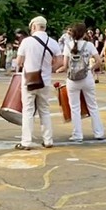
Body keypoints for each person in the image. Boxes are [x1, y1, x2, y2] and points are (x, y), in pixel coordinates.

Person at [14, 16, 62, 150]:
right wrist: (49, 69)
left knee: (28, 111)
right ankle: (48, 140)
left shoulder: (26, 42)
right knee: (44, 110)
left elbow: (19, 62)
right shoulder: (52, 42)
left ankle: (26, 142)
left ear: (34, 27)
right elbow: (59, 61)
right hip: (45, 80)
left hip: (29, 81)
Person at [60, 22, 105, 142]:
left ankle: (77, 134)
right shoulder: (89, 45)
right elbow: (99, 61)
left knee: (75, 108)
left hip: (72, 79)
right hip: (87, 77)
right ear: (84, 33)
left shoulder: (68, 45)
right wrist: (90, 68)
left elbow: (64, 66)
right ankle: (99, 133)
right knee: (93, 106)